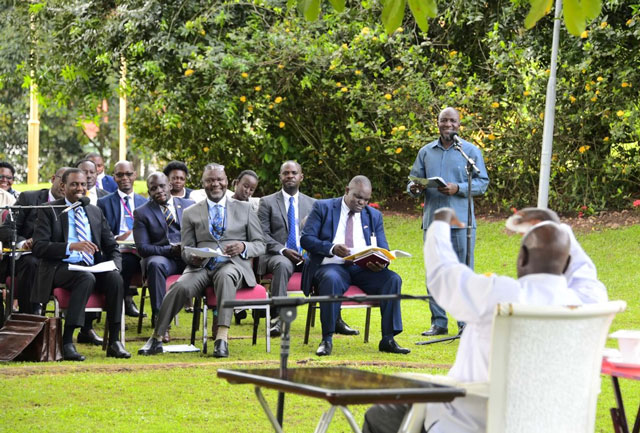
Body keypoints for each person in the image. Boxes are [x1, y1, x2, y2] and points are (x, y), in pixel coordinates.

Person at [361, 207, 608, 433]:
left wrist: (439, 223)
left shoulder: (500, 295)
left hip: (469, 424)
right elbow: (584, 270)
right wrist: (556, 226)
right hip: (553, 425)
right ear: (568, 261)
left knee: (379, 415)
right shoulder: (591, 302)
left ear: (522, 257)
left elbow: (442, 274)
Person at [138, 163, 265, 358]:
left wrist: (243, 246)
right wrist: (192, 257)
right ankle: (156, 337)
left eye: (219, 179)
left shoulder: (246, 209)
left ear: (226, 181)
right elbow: (185, 249)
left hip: (233, 264)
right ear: (203, 183)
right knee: (179, 287)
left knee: (225, 276)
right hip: (201, 267)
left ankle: (221, 338)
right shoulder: (190, 212)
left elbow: (260, 244)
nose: (215, 184)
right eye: (210, 180)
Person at [300, 175, 409, 356]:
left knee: (392, 279)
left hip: (362, 267)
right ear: (347, 190)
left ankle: (388, 339)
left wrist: (380, 263)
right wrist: (332, 248)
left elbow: (383, 248)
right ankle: (327, 339)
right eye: (358, 197)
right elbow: (306, 239)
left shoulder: (374, 216)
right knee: (331, 279)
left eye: (366, 199)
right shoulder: (323, 207)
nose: (361, 203)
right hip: (331, 265)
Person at [31, 168, 130, 360]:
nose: (79, 188)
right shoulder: (50, 210)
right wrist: (71, 246)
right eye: (74, 184)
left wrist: (115, 265)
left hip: (92, 266)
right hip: (61, 267)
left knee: (115, 278)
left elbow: (112, 246)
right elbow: (39, 247)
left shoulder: (94, 211)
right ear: (63, 186)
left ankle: (114, 341)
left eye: (83, 184)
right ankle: (67, 341)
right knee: (85, 278)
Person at [407, 106, 489, 337]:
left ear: (459, 125)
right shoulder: (426, 152)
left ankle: (465, 323)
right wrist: (414, 188)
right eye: (444, 120)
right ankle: (438, 322)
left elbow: (482, 183)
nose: (448, 124)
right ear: (438, 123)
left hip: (462, 222)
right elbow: (412, 181)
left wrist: (458, 188)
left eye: (452, 121)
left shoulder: (469, 151)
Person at [133, 172, 194, 341]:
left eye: (162, 186)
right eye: (154, 188)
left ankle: (218, 320)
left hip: (189, 257)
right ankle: (162, 322)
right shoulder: (142, 212)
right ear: (149, 192)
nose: (159, 190)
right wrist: (170, 250)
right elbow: (143, 248)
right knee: (155, 264)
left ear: (170, 186)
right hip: (164, 258)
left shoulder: (189, 205)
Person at [258, 161, 316, 337]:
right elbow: (262, 234)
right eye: (286, 173)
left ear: (301, 177)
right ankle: (277, 318)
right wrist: (283, 250)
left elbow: (318, 233)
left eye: (294, 173)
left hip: (305, 256)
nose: (290, 176)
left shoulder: (313, 204)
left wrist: (309, 250)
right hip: (277, 255)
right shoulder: (267, 202)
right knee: (283, 264)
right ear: (280, 177)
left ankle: (334, 317)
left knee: (329, 268)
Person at [0, 167, 68, 314]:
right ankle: (30, 315)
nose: (65, 186)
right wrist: (22, 243)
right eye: (63, 180)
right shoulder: (29, 198)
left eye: (70, 183)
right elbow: (6, 229)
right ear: (53, 179)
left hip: (59, 256)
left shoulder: (75, 205)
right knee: (32, 263)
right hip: (28, 257)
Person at [98, 160, 147, 317]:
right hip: (117, 248)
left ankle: (125, 302)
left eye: (128, 174)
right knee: (125, 261)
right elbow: (101, 232)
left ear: (135, 175)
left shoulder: (145, 202)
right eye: (120, 175)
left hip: (141, 249)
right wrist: (117, 237)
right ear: (114, 177)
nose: (124, 178)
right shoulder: (104, 202)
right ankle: (122, 302)